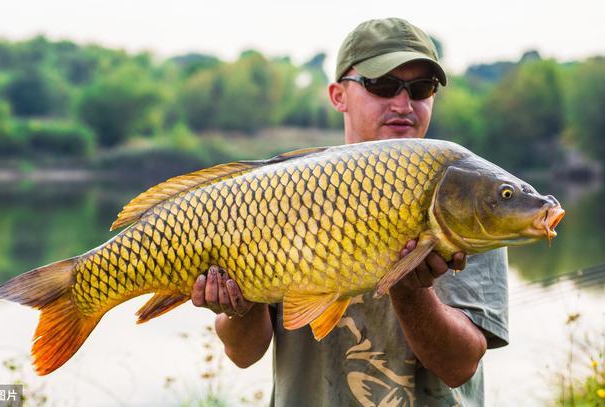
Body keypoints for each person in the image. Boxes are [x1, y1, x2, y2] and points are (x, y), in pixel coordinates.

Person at [191, 17, 508, 406]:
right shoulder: (283, 190)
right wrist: (238, 308)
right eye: (382, 85)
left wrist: (408, 287)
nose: (403, 104)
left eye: (421, 88)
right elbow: (243, 354)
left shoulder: (468, 198)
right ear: (338, 95)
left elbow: (460, 366)